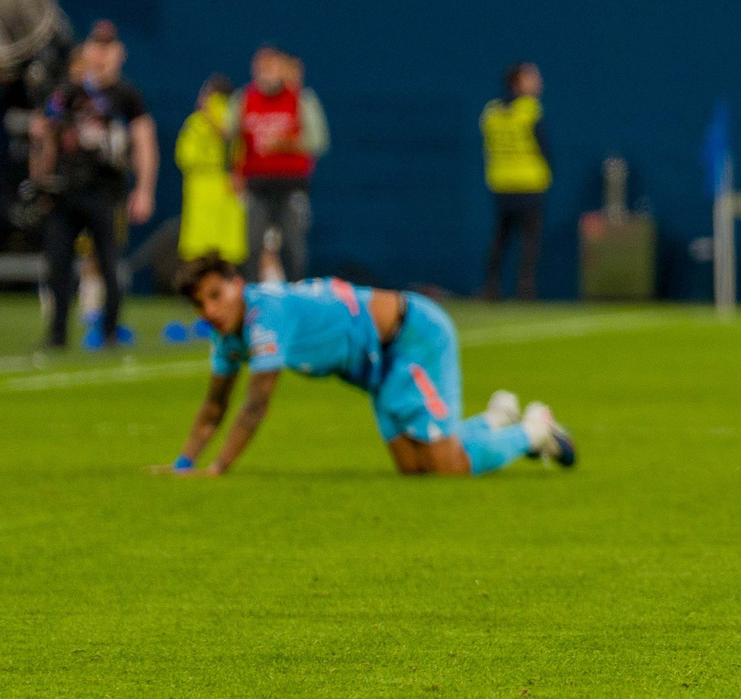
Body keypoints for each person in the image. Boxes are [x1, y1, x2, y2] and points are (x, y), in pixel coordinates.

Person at [162, 254, 576, 478]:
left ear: (238, 283)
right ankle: (492, 421)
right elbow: (214, 406)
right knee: (414, 468)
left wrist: (217, 469)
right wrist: (183, 464)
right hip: (378, 371)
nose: (211, 309)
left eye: (217, 294)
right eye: (201, 303)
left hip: (410, 339)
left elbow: (255, 404)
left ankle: (533, 430)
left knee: (447, 468)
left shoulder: (264, 315)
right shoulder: (227, 336)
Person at [32, 23, 155, 350]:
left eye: (108, 47)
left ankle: (110, 331)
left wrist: (144, 189)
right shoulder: (66, 93)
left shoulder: (127, 96)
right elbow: (47, 136)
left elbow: (144, 142)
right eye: (96, 46)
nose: (100, 54)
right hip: (66, 192)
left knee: (108, 263)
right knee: (58, 263)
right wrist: (40, 180)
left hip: (105, 192)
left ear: (119, 54)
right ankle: (57, 333)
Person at [230, 47, 328, 282]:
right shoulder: (244, 99)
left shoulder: (300, 98)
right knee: (252, 247)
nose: (266, 74)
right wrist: (234, 172)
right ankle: (252, 301)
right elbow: (231, 138)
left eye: (272, 68)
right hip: (257, 187)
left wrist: (285, 143)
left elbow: (318, 141)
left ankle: (296, 300)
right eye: (261, 68)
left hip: (290, 186)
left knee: (293, 249)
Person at [480, 62, 550, 301]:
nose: (538, 81)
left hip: (501, 185)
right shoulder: (529, 110)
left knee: (500, 239)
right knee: (529, 242)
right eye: (532, 77)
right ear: (517, 82)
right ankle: (525, 290)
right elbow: (543, 146)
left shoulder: (491, 113)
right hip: (529, 183)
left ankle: (491, 287)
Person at [175, 74, 247, 269]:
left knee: (201, 246)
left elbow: (184, 155)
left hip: (210, 186)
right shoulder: (233, 119)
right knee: (225, 247)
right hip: (219, 187)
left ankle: (199, 292)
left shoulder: (205, 121)